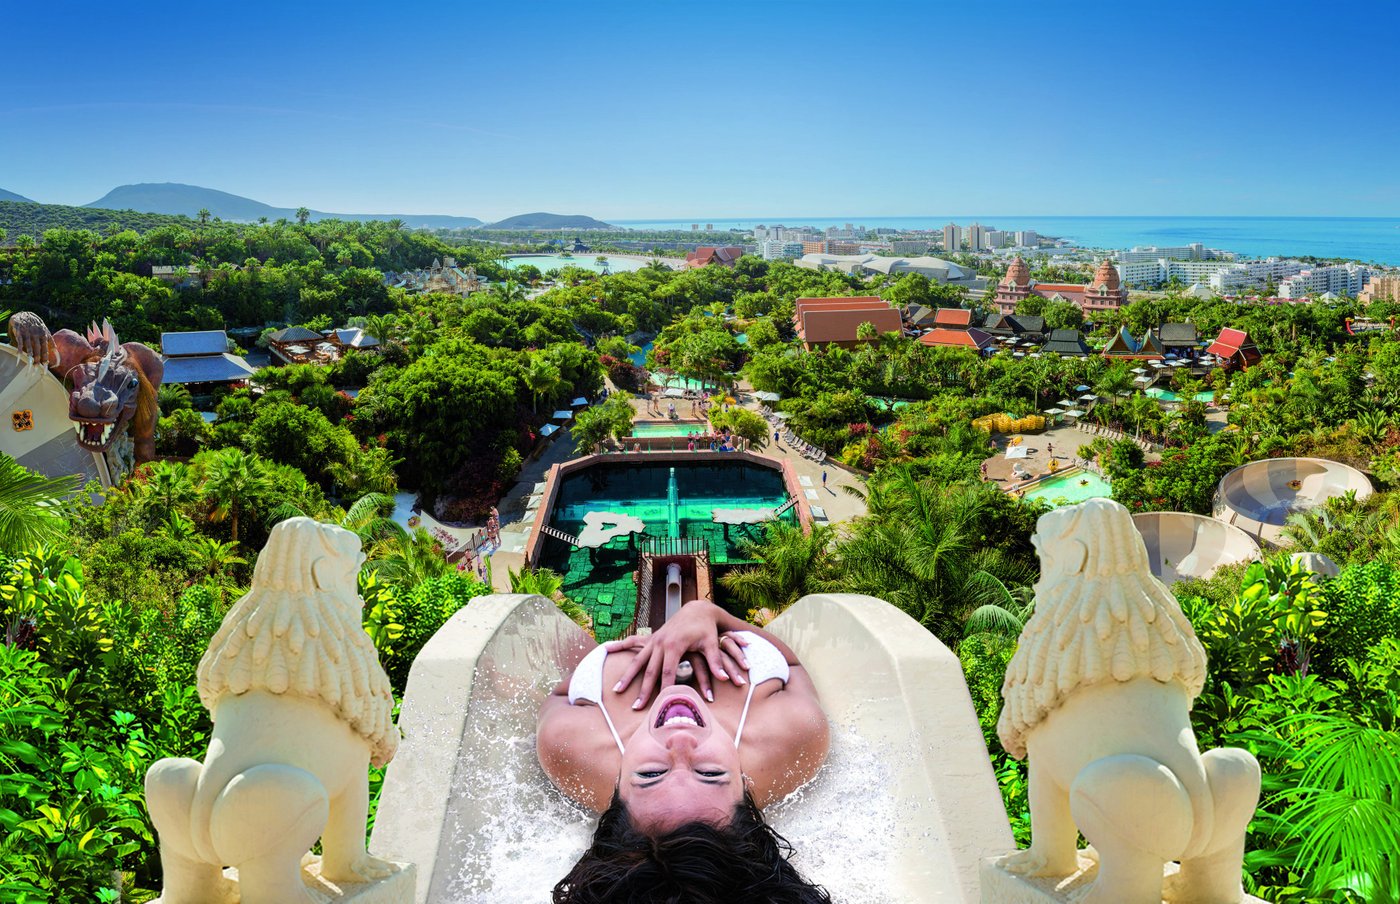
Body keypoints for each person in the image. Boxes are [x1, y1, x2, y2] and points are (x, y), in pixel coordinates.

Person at [539, 601, 831, 902]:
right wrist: (710, 615)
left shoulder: (572, 747)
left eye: (651, 773)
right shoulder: (792, 738)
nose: (680, 741)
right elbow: (794, 666)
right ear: (745, 786)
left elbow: (559, 696)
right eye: (709, 773)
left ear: (617, 787)